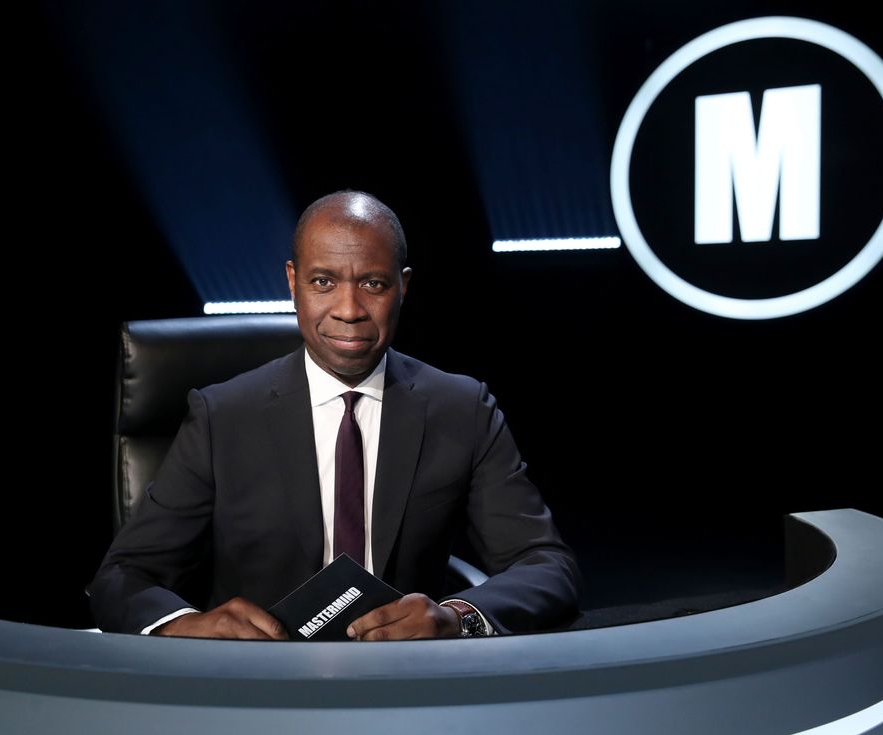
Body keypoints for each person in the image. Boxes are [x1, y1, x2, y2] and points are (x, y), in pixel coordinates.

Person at [89, 190, 580, 640]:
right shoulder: (222, 417)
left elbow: (545, 564)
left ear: (402, 288)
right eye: (324, 281)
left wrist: (457, 616)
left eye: (373, 284)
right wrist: (187, 625)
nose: (348, 309)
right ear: (292, 282)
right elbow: (124, 576)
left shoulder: (462, 409)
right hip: (260, 684)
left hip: (409, 680)